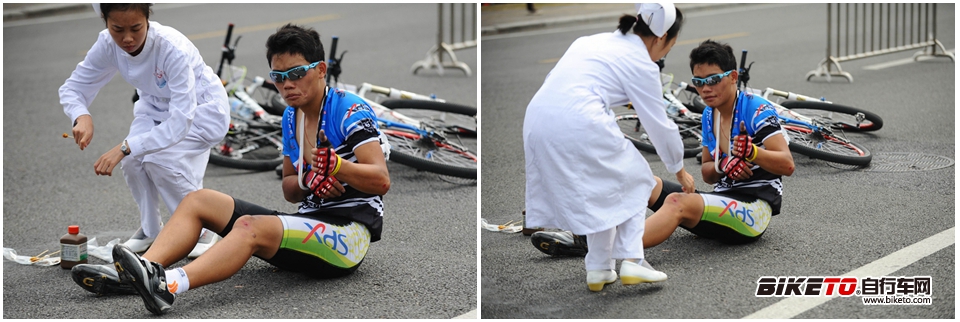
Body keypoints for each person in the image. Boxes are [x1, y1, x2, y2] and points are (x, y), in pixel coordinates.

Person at [69, 23, 391, 315]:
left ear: (320, 70)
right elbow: (291, 189)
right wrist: (312, 180)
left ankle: (167, 285)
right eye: (278, 78)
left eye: (296, 73)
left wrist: (336, 167)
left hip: (347, 236)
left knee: (250, 226)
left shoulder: (348, 108)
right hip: (307, 224)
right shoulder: (292, 116)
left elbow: (380, 180)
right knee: (198, 200)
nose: (287, 85)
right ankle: (142, 271)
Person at [531, 39, 794, 257]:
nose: (705, 89)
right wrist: (721, 165)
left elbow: (787, 164)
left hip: (753, 210)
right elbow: (706, 172)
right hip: (722, 199)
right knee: (642, 181)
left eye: (713, 79)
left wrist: (752, 153)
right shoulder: (708, 116)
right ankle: (585, 229)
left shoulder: (757, 109)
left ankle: (599, 247)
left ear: (733, 76)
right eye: (699, 82)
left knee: (676, 202)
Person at [523, 3, 693, 292]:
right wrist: (679, 170)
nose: (665, 54)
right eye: (670, 47)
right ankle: (633, 262)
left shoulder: (590, 41)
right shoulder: (642, 63)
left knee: (604, 191)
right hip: (577, 123)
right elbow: (659, 125)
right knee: (637, 179)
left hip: (537, 121)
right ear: (662, 37)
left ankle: (599, 268)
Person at [60, 3, 228, 257]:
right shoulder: (107, 43)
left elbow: (181, 121)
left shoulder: (171, 48)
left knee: (159, 160)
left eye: (136, 28)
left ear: (147, 19)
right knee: (132, 163)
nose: (127, 38)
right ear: (105, 21)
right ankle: (151, 230)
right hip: (153, 106)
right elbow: (73, 88)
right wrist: (81, 115)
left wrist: (126, 146)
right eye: (117, 29)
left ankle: (203, 228)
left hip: (201, 111)